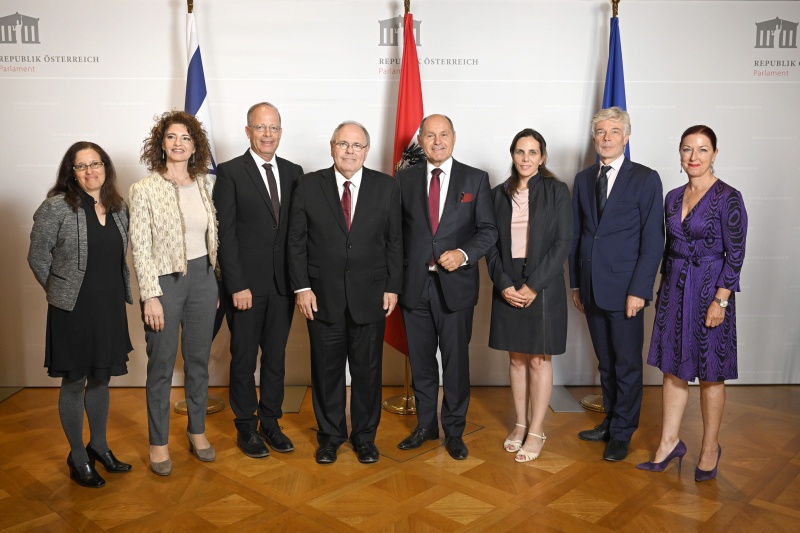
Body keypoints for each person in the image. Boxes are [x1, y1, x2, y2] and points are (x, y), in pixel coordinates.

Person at [637, 125, 747, 481]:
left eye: (702, 150)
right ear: (680, 154)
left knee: (711, 374)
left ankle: (710, 447)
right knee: (672, 369)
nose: (693, 157)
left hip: (711, 293)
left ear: (715, 154)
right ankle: (669, 443)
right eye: (687, 149)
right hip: (674, 289)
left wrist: (722, 301)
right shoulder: (671, 197)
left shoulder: (729, 197)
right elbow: (668, 247)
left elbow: (736, 255)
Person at [288, 121, 402, 464]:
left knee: (368, 373)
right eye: (343, 144)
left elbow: (396, 242)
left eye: (357, 145)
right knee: (326, 371)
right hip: (321, 296)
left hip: (371, 296)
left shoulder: (386, 187)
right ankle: (330, 436)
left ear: (367, 151)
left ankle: (365, 438)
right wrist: (302, 288)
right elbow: (296, 241)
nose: (350, 151)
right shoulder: (308, 185)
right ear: (331, 147)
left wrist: (393, 286)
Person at [28, 142, 133, 488]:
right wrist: (59, 290)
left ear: (106, 167)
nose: (91, 171)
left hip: (109, 308)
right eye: (81, 166)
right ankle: (77, 455)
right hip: (72, 310)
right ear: (70, 172)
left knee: (102, 378)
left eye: (96, 163)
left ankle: (99, 446)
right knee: (74, 381)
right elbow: (38, 256)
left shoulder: (119, 208)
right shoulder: (56, 207)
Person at [396, 114, 498, 460]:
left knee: (455, 365)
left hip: (456, 287)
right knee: (422, 363)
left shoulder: (476, 179)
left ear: (454, 138)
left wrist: (464, 253)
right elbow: (396, 235)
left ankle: (454, 431)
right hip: (414, 287)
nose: (436, 141)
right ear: (421, 141)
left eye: (443, 135)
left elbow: (488, 230)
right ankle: (425, 427)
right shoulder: (404, 179)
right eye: (429, 135)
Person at [569, 107, 664, 462]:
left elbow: (653, 240)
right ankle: (610, 420)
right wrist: (576, 285)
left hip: (627, 292)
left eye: (613, 131)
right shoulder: (582, 179)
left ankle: (623, 432)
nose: (606, 138)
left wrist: (640, 290)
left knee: (626, 364)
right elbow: (578, 235)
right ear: (594, 138)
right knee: (605, 363)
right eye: (600, 132)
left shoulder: (645, 178)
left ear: (626, 137)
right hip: (591, 288)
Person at [129, 111, 218, 475]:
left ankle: (197, 431)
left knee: (198, 362)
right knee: (162, 367)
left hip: (204, 279)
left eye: (186, 137)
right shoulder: (144, 189)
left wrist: (214, 279)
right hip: (164, 283)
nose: (178, 143)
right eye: (171, 137)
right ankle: (158, 443)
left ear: (195, 145)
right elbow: (139, 246)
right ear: (161, 143)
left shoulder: (207, 185)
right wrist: (150, 295)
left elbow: (216, 235)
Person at [214, 102, 304, 458]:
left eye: (274, 128)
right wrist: (236, 284)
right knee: (243, 358)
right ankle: (246, 427)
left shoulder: (295, 171)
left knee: (276, 359)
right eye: (260, 127)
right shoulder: (230, 172)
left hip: (283, 287)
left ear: (280, 132)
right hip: (246, 289)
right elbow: (225, 234)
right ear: (248, 131)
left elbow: (298, 232)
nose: (267, 134)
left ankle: (271, 421)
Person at [486, 129, 572, 463]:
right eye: (520, 152)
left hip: (544, 283)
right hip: (507, 279)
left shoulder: (557, 191)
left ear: (543, 157)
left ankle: (536, 430)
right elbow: (490, 244)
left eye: (533, 152)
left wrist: (533, 286)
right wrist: (504, 283)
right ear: (512, 155)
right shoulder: (497, 195)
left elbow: (563, 242)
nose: (526, 158)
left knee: (538, 358)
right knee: (516, 358)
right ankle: (519, 423)